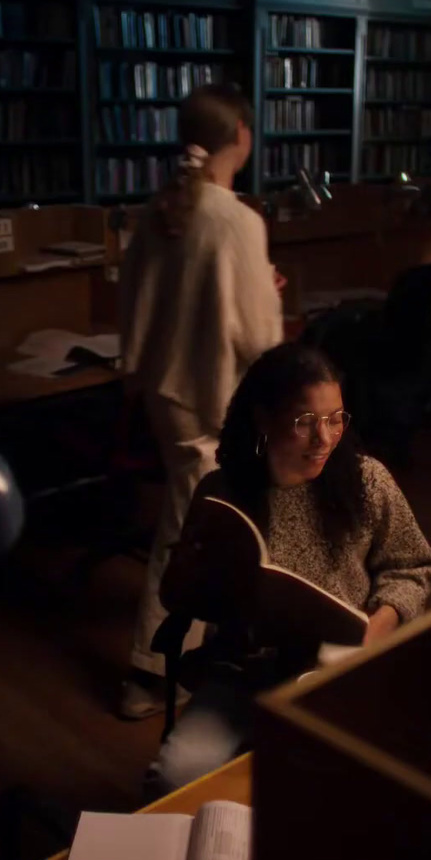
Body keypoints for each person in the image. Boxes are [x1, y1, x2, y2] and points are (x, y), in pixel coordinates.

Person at [149, 343, 431, 792]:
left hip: (337, 673)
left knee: (343, 786)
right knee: (176, 781)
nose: (324, 438)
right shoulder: (221, 490)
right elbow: (182, 595)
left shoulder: (367, 482)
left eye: (335, 419)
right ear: (264, 419)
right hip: (243, 674)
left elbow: (414, 565)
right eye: (305, 422)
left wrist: (377, 627)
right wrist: (195, 575)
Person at [116, 83, 286, 719]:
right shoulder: (238, 220)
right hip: (210, 392)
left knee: (202, 523)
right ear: (240, 134)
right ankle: (147, 672)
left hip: (165, 392)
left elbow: (139, 301)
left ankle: (214, 639)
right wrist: (266, 293)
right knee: (188, 532)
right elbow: (260, 336)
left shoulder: (160, 208)